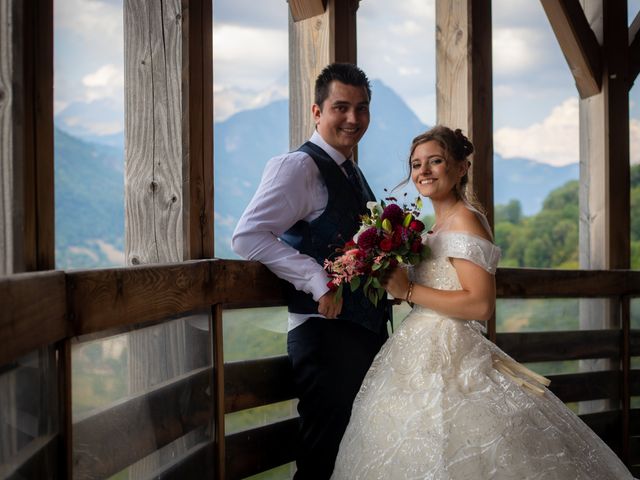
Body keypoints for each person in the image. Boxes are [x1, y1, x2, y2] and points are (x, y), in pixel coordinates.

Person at [331, 126, 634, 479]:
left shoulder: (466, 222)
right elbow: (444, 289)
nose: (423, 171)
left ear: (461, 168)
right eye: (416, 164)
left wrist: (409, 292)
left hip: (450, 352)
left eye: (435, 161)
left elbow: (480, 306)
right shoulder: (434, 229)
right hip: (417, 349)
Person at [232, 63, 390, 479]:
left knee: (354, 455)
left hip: (358, 334)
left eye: (362, 108)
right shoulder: (297, 167)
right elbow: (248, 236)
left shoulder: (349, 169)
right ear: (317, 112)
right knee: (323, 456)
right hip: (324, 337)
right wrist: (316, 279)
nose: (354, 119)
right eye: (341, 107)